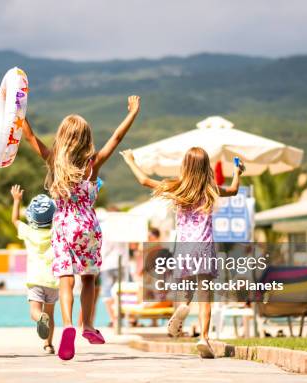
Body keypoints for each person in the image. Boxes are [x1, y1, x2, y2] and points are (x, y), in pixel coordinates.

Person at [22, 95, 141, 360]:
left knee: (66, 280)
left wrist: (18, 112)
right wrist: (132, 113)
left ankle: (67, 327)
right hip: (87, 226)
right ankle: (86, 323)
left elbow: (30, 138)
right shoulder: (92, 165)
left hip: (63, 226)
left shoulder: (55, 162)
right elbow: (117, 139)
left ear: (62, 138)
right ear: (86, 139)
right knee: (88, 278)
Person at [121, 147, 244, 358]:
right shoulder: (211, 188)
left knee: (187, 289)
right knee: (205, 295)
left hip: (184, 248)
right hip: (204, 246)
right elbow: (233, 190)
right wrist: (237, 172)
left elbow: (144, 181)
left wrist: (131, 160)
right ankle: (204, 338)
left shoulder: (177, 188)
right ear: (206, 167)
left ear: (185, 166)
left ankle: (183, 307)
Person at [10, 185, 59, 354]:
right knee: (50, 314)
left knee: (35, 311)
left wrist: (17, 201)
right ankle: (48, 345)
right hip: (53, 280)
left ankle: (40, 318)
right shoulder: (55, 231)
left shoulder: (28, 231)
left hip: (35, 279)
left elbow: (15, 220)